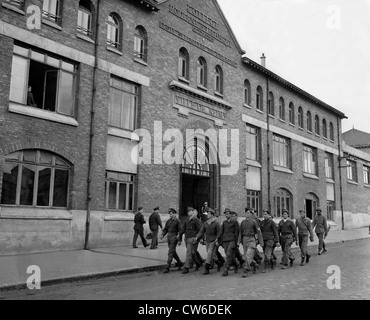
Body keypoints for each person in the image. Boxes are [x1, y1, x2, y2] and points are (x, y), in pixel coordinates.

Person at [194, 208, 222, 275]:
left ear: (212, 215)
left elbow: (219, 232)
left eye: (209, 214)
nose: (207, 215)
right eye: (207, 213)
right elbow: (201, 231)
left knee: (209, 253)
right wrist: (196, 237)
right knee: (213, 255)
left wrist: (218, 240)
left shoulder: (216, 222)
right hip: (207, 241)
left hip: (213, 240)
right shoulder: (205, 223)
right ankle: (219, 263)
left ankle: (207, 268)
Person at [239, 208, 264, 278]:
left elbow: (259, 232)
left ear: (250, 214)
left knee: (249, 255)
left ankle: (246, 270)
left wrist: (261, 242)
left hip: (251, 239)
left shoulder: (254, 222)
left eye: (249, 213)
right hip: (244, 239)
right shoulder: (242, 222)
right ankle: (254, 264)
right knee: (246, 255)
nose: (247, 214)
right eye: (246, 213)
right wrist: (238, 241)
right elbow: (240, 233)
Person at [217, 208, 240, 277]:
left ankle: (226, 269)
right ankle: (236, 264)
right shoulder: (224, 222)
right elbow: (221, 231)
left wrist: (237, 242)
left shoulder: (234, 222)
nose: (226, 215)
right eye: (225, 214)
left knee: (228, 254)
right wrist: (217, 238)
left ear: (231, 214)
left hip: (232, 240)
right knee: (230, 255)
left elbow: (237, 232)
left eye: (228, 214)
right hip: (225, 240)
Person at [179, 208, 203, 274]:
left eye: (190, 211)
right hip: (187, 238)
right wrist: (179, 237)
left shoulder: (196, 220)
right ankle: (198, 262)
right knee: (192, 252)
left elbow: (201, 230)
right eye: (188, 211)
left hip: (193, 238)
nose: (188, 212)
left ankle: (186, 267)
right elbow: (183, 229)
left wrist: (201, 239)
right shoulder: (187, 220)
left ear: (193, 212)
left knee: (189, 252)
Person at [161, 208, 183, 273]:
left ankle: (168, 267)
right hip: (169, 237)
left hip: (174, 237)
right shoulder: (168, 221)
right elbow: (165, 229)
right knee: (172, 251)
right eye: (169, 214)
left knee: (170, 252)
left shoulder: (177, 221)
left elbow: (180, 231)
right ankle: (179, 263)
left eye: (171, 214)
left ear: (174, 214)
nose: (170, 215)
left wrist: (179, 240)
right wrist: (162, 235)